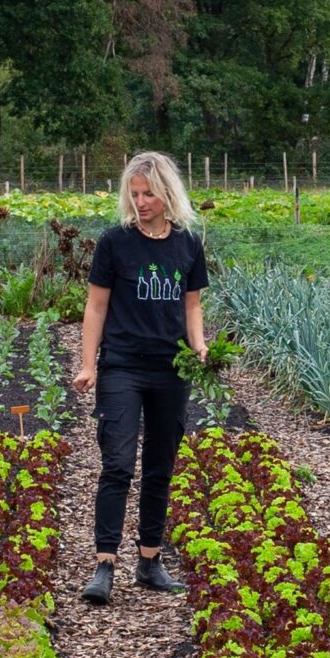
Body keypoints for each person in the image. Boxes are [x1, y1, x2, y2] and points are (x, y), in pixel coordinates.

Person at [74, 152, 210, 605]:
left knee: (160, 466)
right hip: (123, 365)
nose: (140, 202)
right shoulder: (115, 242)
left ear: (167, 192)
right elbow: (95, 306)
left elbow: (192, 304)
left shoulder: (187, 244)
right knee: (117, 463)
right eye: (133, 194)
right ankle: (105, 563)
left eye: (148, 193)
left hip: (170, 369)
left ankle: (150, 561)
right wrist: (88, 363)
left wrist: (199, 346)